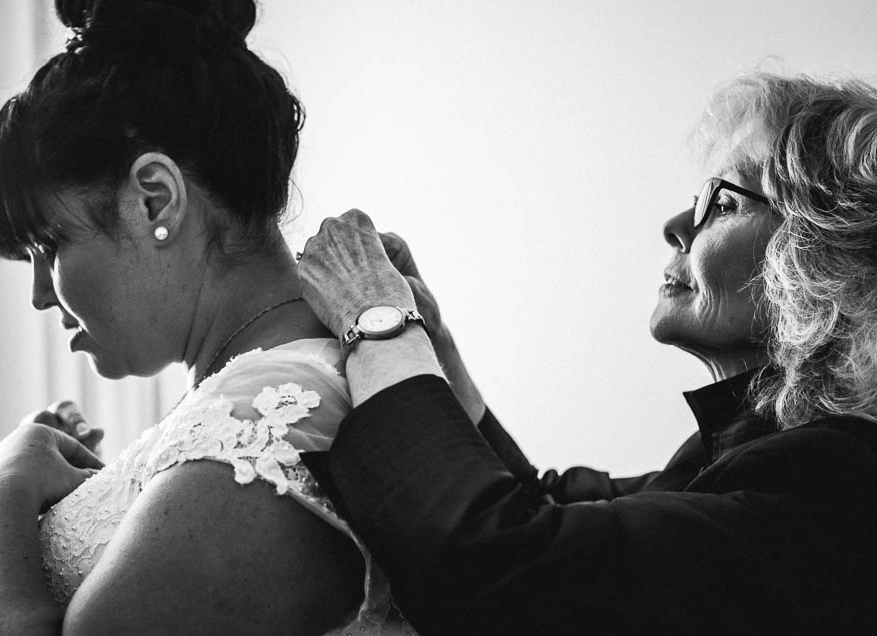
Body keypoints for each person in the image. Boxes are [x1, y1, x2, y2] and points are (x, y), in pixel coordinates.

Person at [0, 0, 537, 632]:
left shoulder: (271, 420)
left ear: (154, 200)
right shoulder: (261, 395)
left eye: (50, 246)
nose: (38, 294)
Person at [296, 72, 877, 635]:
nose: (676, 225)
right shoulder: (719, 455)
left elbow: (500, 566)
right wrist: (434, 342)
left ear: (828, 254)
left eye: (722, 203)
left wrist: (375, 320)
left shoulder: (835, 484)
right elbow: (546, 505)